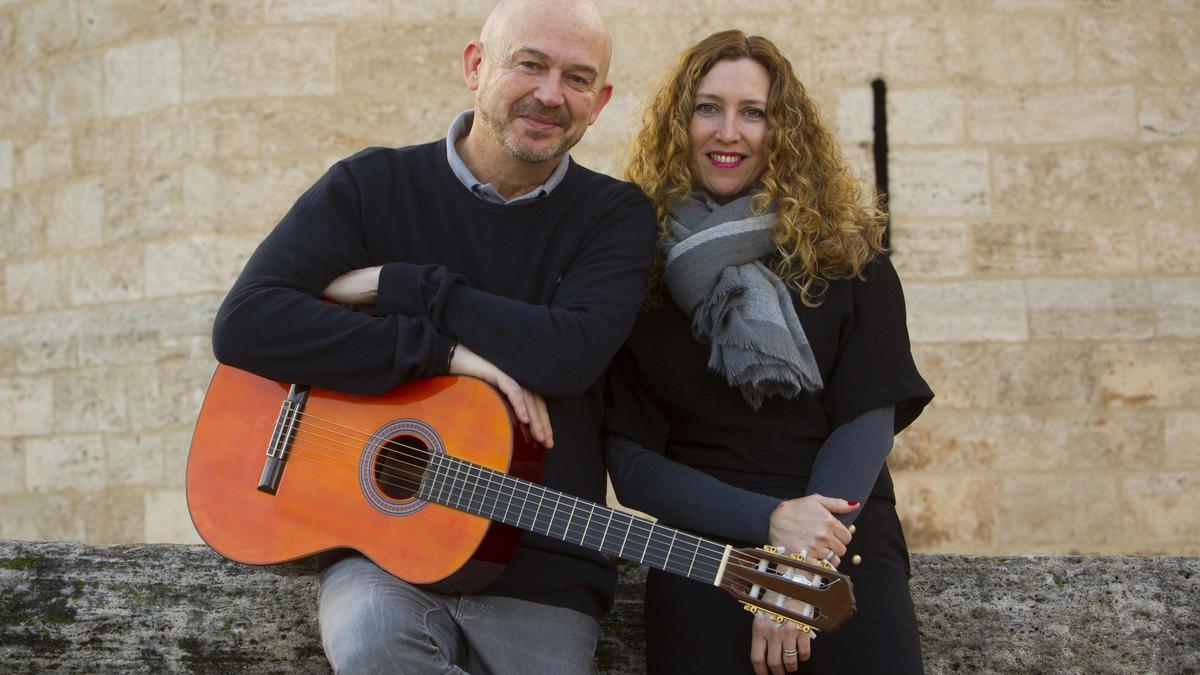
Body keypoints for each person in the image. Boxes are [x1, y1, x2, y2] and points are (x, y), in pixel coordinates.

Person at [210, 1, 656, 672]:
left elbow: (566, 355)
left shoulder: (615, 217)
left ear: (600, 101)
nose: (549, 94)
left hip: (544, 568)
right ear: (476, 66)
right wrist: (447, 354)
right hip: (383, 556)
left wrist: (405, 287)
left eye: (577, 78)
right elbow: (247, 323)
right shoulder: (371, 185)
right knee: (370, 645)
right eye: (529, 64)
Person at [604, 30, 933, 675]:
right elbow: (632, 462)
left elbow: (868, 417)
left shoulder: (849, 256)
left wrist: (799, 567)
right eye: (708, 108)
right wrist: (771, 522)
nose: (730, 132)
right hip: (704, 548)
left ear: (782, 129)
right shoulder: (633, 270)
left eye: (753, 112)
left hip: (839, 537)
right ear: (679, 123)